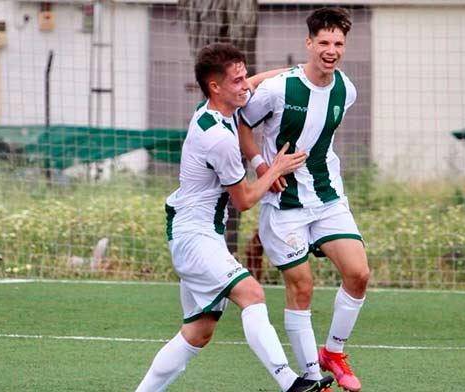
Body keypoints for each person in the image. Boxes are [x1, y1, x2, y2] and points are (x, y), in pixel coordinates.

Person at [135, 43, 333, 392]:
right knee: (252, 294)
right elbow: (243, 200)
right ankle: (290, 383)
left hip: (197, 233)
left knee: (198, 332)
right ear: (216, 87)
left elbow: (259, 80)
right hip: (193, 236)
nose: (246, 86)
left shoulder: (215, 110)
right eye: (237, 81)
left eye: (244, 77)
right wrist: (275, 170)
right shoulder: (219, 139)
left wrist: (303, 72)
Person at [238, 7, 370, 392]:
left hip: (328, 197)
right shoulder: (280, 88)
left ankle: (333, 352)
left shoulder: (346, 89)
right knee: (302, 288)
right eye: (324, 42)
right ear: (309, 44)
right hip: (284, 204)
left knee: (359, 274)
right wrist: (263, 168)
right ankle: (314, 379)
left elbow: (319, 137)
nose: (331, 50)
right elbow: (244, 124)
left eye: (338, 43)